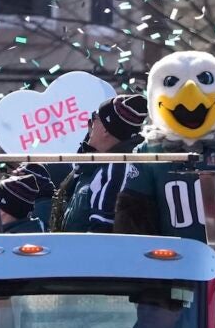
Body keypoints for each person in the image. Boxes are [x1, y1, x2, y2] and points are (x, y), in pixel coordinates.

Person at [116, 50, 215, 257]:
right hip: (169, 265)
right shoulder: (148, 151)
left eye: (205, 80)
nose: (190, 97)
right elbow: (134, 217)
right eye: (172, 82)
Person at [49, 94, 148, 232]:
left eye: (93, 118)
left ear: (105, 129)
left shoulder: (116, 170)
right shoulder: (92, 167)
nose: (89, 125)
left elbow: (101, 236)